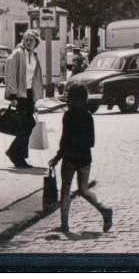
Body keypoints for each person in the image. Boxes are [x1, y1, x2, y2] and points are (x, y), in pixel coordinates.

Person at [48, 85, 114, 234]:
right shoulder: (88, 116)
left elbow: (64, 140)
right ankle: (104, 209)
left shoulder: (68, 116)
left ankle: (64, 225)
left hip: (70, 157)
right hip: (84, 158)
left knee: (65, 189)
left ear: (70, 99)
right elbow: (91, 142)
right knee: (84, 189)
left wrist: (57, 157)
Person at [4, 30, 45, 168]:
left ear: (36, 43)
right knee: (26, 125)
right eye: (26, 40)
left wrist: (35, 98)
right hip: (19, 94)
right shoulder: (17, 54)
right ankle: (16, 155)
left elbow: (35, 78)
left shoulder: (34, 56)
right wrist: (12, 96)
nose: (28, 43)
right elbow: (10, 75)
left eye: (31, 40)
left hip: (29, 94)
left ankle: (17, 155)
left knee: (29, 125)